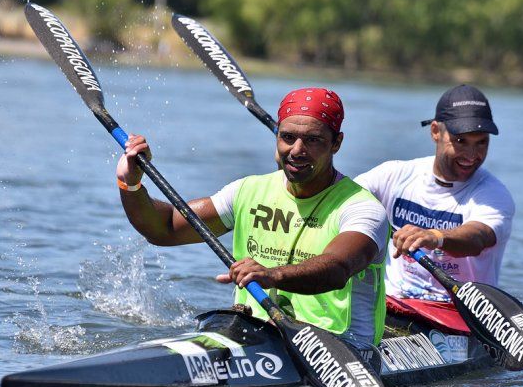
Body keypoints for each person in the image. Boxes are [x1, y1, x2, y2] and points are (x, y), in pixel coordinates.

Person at [116, 87, 389, 355]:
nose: (297, 150)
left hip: (344, 348)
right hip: (260, 334)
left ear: (336, 143)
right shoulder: (248, 191)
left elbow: (337, 268)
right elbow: (164, 229)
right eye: (288, 137)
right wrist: (131, 185)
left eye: (313, 140)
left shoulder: (362, 209)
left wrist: (272, 275)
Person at [355, 84, 515, 306]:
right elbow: (344, 196)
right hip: (396, 303)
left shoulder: (493, 194)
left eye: (481, 143)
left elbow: (477, 237)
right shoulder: (394, 175)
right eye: (461, 141)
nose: (472, 155)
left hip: (458, 312)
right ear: (435, 132)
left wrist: (436, 237)